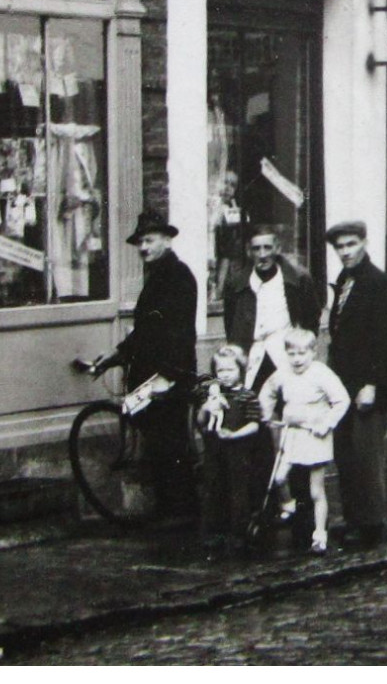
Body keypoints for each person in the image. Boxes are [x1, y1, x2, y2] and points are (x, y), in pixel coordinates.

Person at [90, 212, 199, 522]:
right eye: (140, 242)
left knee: (171, 446)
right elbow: (147, 330)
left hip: (166, 376)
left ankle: (183, 516)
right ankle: (170, 512)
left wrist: (169, 375)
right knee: (160, 446)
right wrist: (115, 356)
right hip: (152, 375)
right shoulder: (158, 276)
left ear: (167, 240)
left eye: (149, 240)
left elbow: (179, 333)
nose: (143, 247)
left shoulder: (177, 277)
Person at [325, 219, 387, 549]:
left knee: (366, 455)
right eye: (339, 247)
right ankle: (352, 519)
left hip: (366, 387)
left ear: (364, 243)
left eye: (350, 244)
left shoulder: (381, 285)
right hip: (342, 385)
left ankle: (372, 523)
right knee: (345, 453)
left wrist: (373, 385)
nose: (345, 252)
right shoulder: (344, 281)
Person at [257, 327, 349, 554]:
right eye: (291, 354)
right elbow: (268, 390)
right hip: (292, 435)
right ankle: (288, 506)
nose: (297, 359)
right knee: (279, 477)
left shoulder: (321, 373)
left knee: (316, 491)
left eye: (302, 354)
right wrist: (266, 414)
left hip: (314, 436)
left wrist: (326, 423)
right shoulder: (283, 372)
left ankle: (319, 535)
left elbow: (341, 400)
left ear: (313, 352)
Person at [222, 226, 322, 390]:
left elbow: (311, 320)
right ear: (249, 251)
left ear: (277, 248)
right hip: (252, 358)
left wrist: (301, 351)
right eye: (256, 249)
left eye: (267, 247)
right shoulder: (236, 283)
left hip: (285, 357)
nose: (262, 254)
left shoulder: (298, 279)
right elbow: (231, 324)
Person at [193, 345, 270, 557]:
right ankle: (215, 533)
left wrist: (235, 435)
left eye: (230, 370)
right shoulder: (212, 395)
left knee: (239, 492)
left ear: (241, 371)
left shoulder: (247, 396)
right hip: (214, 450)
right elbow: (200, 423)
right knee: (214, 488)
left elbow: (255, 425)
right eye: (221, 371)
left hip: (238, 450)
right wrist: (205, 409)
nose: (225, 376)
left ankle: (239, 534)